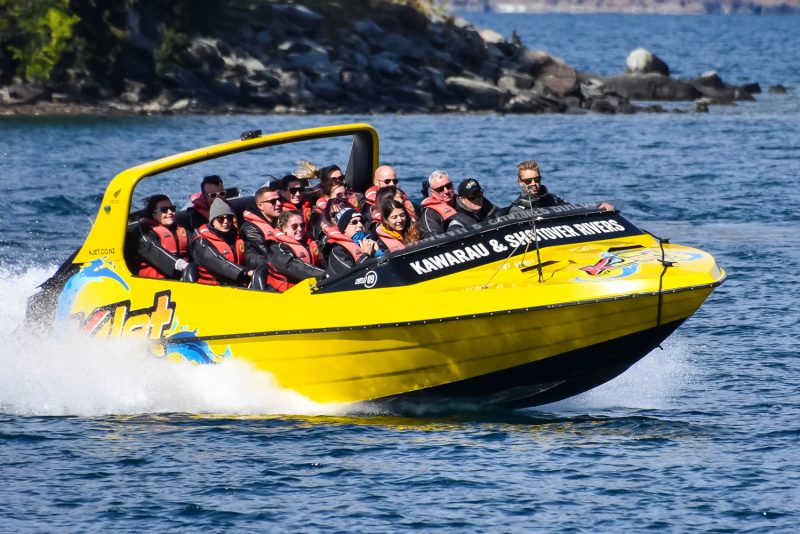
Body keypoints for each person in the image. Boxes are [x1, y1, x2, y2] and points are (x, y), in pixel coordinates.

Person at [507, 160, 614, 213]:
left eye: (537, 179)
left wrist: (598, 208)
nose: (533, 183)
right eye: (528, 181)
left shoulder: (553, 200)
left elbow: (575, 210)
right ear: (520, 182)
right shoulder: (516, 210)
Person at [193, 198, 253, 286]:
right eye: (220, 219)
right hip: (213, 288)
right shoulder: (201, 242)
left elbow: (251, 254)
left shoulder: (236, 236)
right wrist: (245, 272)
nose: (226, 222)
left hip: (237, 284)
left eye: (229, 218)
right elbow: (218, 261)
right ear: (213, 221)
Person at [135, 194, 191, 279]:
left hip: (182, 274)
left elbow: (194, 246)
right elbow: (154, 249)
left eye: (172, 209)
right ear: (153, 213)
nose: (170, 212)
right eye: (164, 210)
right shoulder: (144, 232)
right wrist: (181, 265)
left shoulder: (179, 229)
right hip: (156, 281)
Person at [267, 211, 326, 292]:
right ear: (284, 228)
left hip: (310, 286)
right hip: (285, 293)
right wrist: (325, 274)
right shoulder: (276, 247)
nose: (300, 229)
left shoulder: (309, 241)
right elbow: (291, 266)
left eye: (302, 225)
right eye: (294, 226)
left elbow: (325, 255)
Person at [324, 208, 379, 277]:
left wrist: (378, 252)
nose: (360, 225)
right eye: (354, 222)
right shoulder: (338, 251)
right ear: (344, 230)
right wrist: (366, 255)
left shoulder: (372, 240)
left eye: (361, 221)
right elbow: (352, 278)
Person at [240, 185, 283, 269]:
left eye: (279, 199)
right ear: (260, 206)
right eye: (273, 201)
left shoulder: (282, 219)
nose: (279, 203)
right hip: (264, 269)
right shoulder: (250, 228)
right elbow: (267, 253)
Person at [419, 170, 457, 239]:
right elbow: (435, 241)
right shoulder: (429, 214)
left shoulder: (463, 201)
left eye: (448, 186)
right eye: (440, 189)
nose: (446, 191)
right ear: (432, 192)